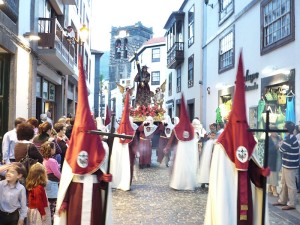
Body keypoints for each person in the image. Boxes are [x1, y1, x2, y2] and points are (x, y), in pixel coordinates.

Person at [204, 53, 270, 225]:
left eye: (243, 123)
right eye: (237, 122)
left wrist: (261, 174)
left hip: (246, 194)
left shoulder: (250, 141)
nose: (240, 128)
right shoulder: (221, 146)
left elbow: (253, 171)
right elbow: (219, 183)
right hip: (227, 198)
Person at [164, 95, 198, 190]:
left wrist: (167, 147)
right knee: (188, 168)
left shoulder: (177, 128)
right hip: (189, 154)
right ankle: (188, 183)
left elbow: (171, 140)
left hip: (179, 152)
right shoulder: (191, 128)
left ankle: (176, 182)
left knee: (175, 167)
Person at [110, 93, 136, 191]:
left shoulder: (121, 132)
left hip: (129, 155)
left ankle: (125, 181)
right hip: (128, 155)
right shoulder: (130, 133)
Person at [273, 121, 300, 210]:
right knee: (284, 183)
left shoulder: (290, 139)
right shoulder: (289, 137)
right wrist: (281, 144)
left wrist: (280, 144)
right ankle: (282, 200)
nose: (283, 129)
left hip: (290, 166)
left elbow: (281, 149)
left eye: (284, 128)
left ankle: (292, 204)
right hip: (287, 164)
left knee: (291, 185)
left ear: (287, 129)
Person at [40, 141, 61, 223]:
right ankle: (52, 221)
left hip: (48, 182)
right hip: (53, 183)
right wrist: (62, 179)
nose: (55, 149)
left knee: (48, 203)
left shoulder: (45, 159)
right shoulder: (52, 160)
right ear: (51, 149)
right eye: (54, 147)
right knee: (53, 204)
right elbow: (56, 173)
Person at [267, 127, 281, 197]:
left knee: (274, 174)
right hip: (271, 159)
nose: (276, 133)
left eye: (276, 132)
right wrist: (276, 146)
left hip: (278, 158)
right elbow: (268, 150)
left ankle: (270, 188)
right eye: (274, 132)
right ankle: (274, 190)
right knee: (273, 175)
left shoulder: (279, 138)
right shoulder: (268, 139)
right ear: (271, 132)